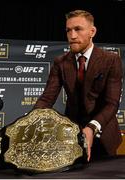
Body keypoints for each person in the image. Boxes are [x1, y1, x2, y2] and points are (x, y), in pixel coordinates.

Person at [34, 10, 123, 162]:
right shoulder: (60, 62)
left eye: (78, 29)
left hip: (104, 135)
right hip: (71, 137)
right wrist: (31, 121)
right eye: (68, 30)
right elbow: (46, 99)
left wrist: (91, 128)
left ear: (92, 32)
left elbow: (112, 103)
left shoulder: (111, 60)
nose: (72, 36)